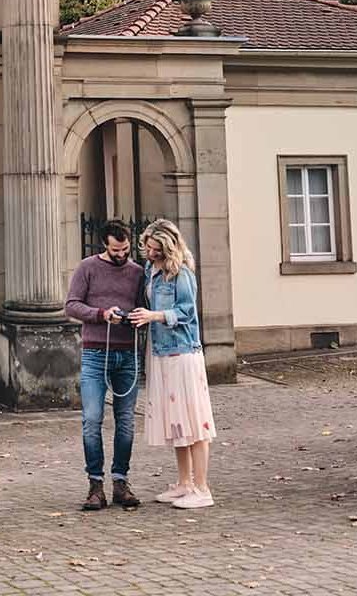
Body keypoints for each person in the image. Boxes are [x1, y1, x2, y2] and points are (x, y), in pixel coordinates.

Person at [129, 218, 217, 509]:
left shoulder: (182, 274)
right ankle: (184, 482)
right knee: (177, 421)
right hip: (160, 352)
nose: (150, 252)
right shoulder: (151, 271)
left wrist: (154, 316)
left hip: (183, 352)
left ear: (168, 247)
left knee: (195, 421)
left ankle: (202, 488)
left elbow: (187, 312)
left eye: (156, 249)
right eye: (148, 247)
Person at [64, 220, 145, 511]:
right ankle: (95, 485)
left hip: (127, 353)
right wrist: (101, 314)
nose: (121, 254)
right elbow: (71, 305)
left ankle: (120, 482)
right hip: (95, 352)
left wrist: (136, 316)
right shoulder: (87, 268)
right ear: (104, 246)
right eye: (115, 249)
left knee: (126, 422)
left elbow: (144, 306)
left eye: (125, 249)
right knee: (92, 419)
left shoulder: (138, 272)